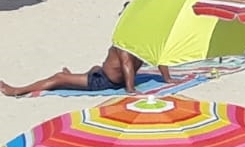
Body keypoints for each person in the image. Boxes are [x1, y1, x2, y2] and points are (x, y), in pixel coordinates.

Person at [1, 45, 147, 96]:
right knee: (95, 68)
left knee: (59, 78)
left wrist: (130, 89)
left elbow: (126, 63)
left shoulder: (124, 43)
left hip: (104, 81)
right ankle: (71, 78)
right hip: (106, 75)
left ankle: (18, 90)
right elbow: (157, 59)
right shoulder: (143, 43)